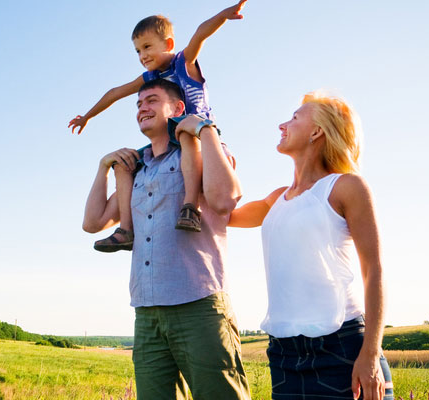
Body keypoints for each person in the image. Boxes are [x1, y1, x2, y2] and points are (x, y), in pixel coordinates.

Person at [82, 79, 248, 399]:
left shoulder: (202, 151)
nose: (143, 107)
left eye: (153, 100)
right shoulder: (137, 171)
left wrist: (205, 130)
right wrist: (103, 167)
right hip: (146, 312)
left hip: (198, 305)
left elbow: (226, 199)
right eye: (139, 104)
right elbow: (93, 223)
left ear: (178, 109)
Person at [227, 91, 394, 399]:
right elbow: (220, 215)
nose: (282, 124)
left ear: (317, 131)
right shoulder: (276, 199)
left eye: (294, 117)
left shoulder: (346, 187)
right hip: (284, 352)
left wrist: (370, 353)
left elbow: (374, 270)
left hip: (341, 346)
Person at [71, 1, 247, 252]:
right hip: (170, 139)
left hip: (197, 131)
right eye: (137, 51)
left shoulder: (182, 63)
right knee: (124, 162)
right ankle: (126, 231)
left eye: (147, 47)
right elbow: (115, 92)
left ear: (168, 44)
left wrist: (224, 15)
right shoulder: (150, 77)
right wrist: (87, 116)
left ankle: (190, 207)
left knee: (184, 131)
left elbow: (200, 33)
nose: (142, 55)